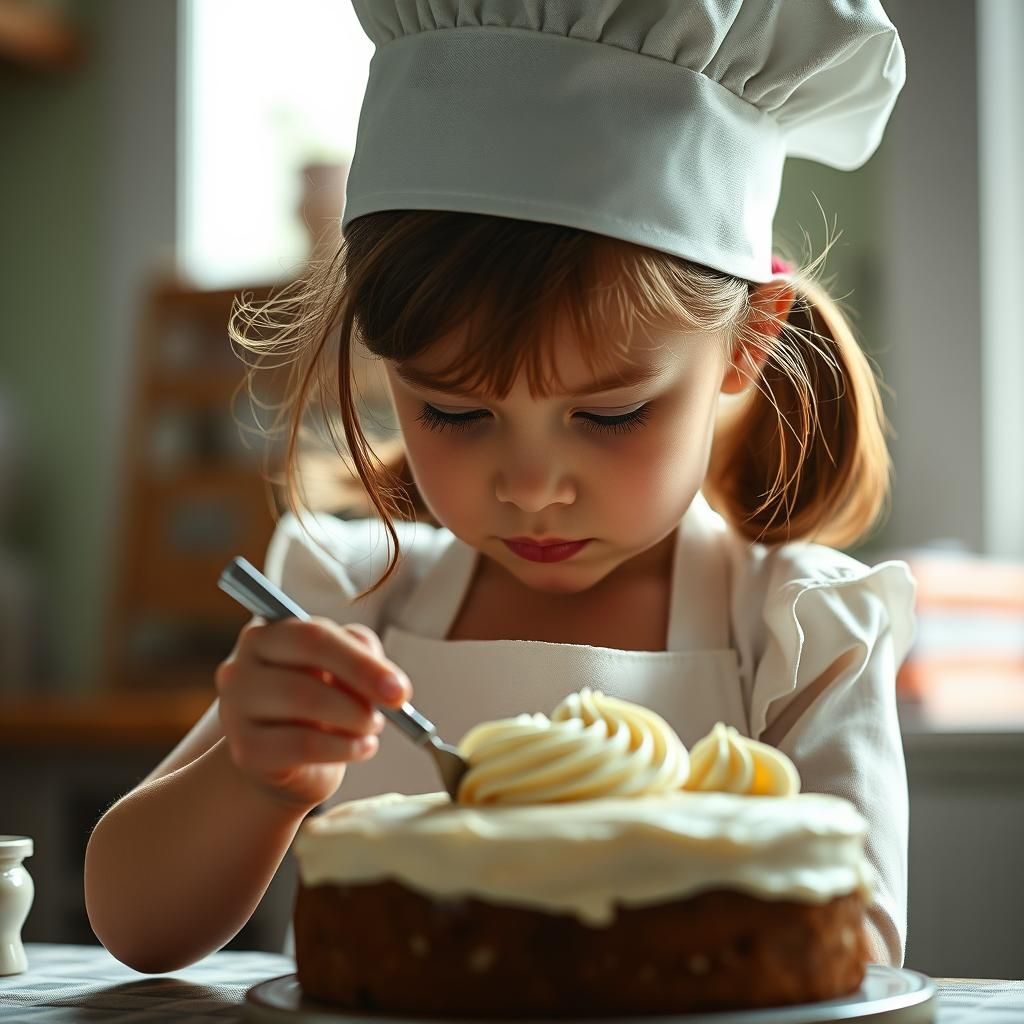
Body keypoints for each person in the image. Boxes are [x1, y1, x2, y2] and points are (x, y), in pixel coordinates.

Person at [85, 0, 915, 976]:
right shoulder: (351, 595)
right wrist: (255, 777)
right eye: (454, 413)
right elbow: (135, 924)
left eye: (608, 417)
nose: (529, 489)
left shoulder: (793, 634)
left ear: (748, 340)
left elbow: (850, 948)